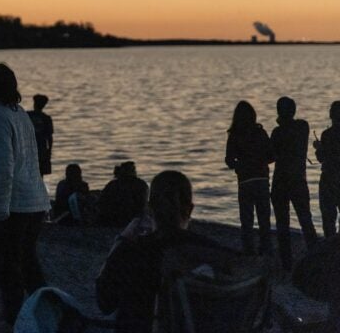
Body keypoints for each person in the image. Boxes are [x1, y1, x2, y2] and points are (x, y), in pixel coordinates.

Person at [0, 63, 50, 327]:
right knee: (25, 261)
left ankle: (14, 316)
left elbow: (3, 166)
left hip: (14, 205)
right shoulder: (20, 114)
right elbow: (30, 158)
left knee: (5, 262)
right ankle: (42, 311)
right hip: (32, 200)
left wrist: (0, 210)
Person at [96, 171, 223, 333]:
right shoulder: (211, 252)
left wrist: (121, 241)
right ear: (190, 209)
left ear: (150, 208)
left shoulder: (130, 252)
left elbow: (105, 303)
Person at [270, 96, 317, 270]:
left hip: (281, 182)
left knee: (283, 225)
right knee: (306, 221)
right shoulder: (302, 127)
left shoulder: (278, 132)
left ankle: (286, 264)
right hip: (298, 180)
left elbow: (270, 155)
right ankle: (314, 258)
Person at [225, 100, 274, 255]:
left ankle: (249, 251)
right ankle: (266, 249)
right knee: (264, 218)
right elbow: (271, 155)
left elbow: (229, 159)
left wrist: (239, 166)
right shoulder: (260, 132)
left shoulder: (234, 135)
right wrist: (260, 162)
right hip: (261, 179)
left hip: (245, 181)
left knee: (246, 220)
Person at [314, 101, 340, 238]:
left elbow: (321, 158)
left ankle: (330, 246)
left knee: (328, 218)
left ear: (331, 115)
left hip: (329, 178)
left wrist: (318, 148)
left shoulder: (327, 135)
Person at [97, 161, 149, 227]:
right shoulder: (140, 184)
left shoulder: (113, 185)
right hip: (132, 219)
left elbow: (102, 203)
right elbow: (142, 204)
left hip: (112, 220)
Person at [28, 94, 54, 178]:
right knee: (39, 175)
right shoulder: (46, 118)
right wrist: (49, 151)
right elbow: (49, 138)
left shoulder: (27, 115)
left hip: (28, 148)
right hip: (40, 150)